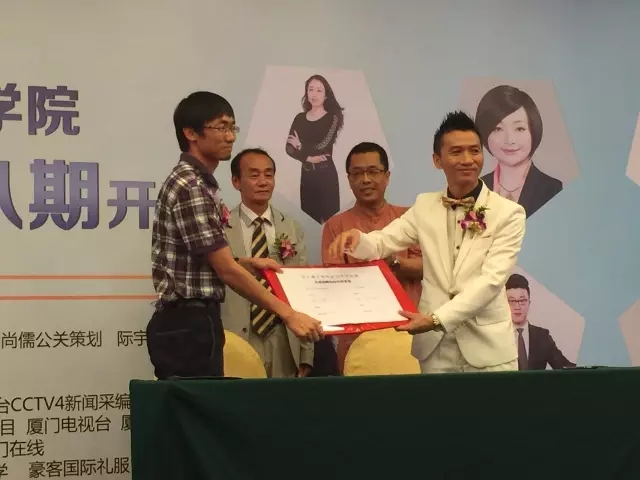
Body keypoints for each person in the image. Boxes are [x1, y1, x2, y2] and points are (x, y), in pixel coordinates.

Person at [328, 111, 526, 374]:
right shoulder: (425, 205)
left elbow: (491, 281)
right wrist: (358, 240)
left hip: (489, 351)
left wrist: (435, 319)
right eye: (456, 152)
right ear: (437, 160)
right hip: (436, 351)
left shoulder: (509, 213)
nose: (467, 160)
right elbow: (384, 240)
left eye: (474, 151)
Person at [147, 91, 323, 380]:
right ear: (191, 133)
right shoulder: (191, 185)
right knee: (198, 407)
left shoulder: (198, 183)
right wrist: (289, 314)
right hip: (188, 324)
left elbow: (202, 261)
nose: (230, 137)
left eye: (232, 127)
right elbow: (225, 270)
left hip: (193, 322)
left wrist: (248, 264)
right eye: (221, 127)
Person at [321, 141, 423, 373]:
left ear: (387, 176)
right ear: (349, 180)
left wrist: (394, 263)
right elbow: (334, 282)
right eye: (357, 173)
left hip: (408, 329)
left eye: (373, 172)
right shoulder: (335, 226)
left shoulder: (409, 218)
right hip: (357, 336)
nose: (365, 179)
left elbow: (427, 266)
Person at [221, 147, 314, 378]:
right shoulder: (220, 228)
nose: (263, 182)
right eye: (254, 175)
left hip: (284, 337)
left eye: (268, 174)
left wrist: (306, 353)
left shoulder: (291, 228)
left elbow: (303, 291)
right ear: (236, 181)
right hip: (237, 337)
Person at [475, 85, 562, 218]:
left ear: (534, 130)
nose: (509, 140)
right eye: (498, 129)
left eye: (519, 128)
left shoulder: (553, 190)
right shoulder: (475, 190)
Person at [285, 74, 343, 224]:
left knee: (330, 224)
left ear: (326, 95)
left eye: (319, 90)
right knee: (309, 223)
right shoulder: (299, 118)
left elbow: (324, 145)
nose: (314, 94)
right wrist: (308, 158)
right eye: (311, 89)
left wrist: (301, 146)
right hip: (307, 176)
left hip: (326, 176)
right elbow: (289, 148)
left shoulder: (333, 117)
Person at [506, 273, 575, 370]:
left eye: (522, 301)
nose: (517, 307)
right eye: (512, 301)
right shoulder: (498, 337)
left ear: (529, 303)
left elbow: (564, 366)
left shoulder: (543, 336)